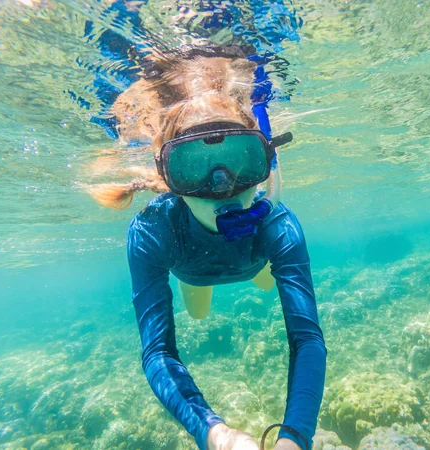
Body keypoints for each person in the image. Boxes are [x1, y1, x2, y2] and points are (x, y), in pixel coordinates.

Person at [88, 46, 327, 450]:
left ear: (264, 162)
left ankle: (257, 273)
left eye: (241, 160)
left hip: (256, 260)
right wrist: (217, 435)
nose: (222, 187)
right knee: (198, 315)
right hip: (193, 271)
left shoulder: (277, 227)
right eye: (193, 168)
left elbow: (307, 339)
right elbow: (159, 352)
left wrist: (295, 438)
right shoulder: (153, 231)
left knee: (266, 281)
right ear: (168, 174)